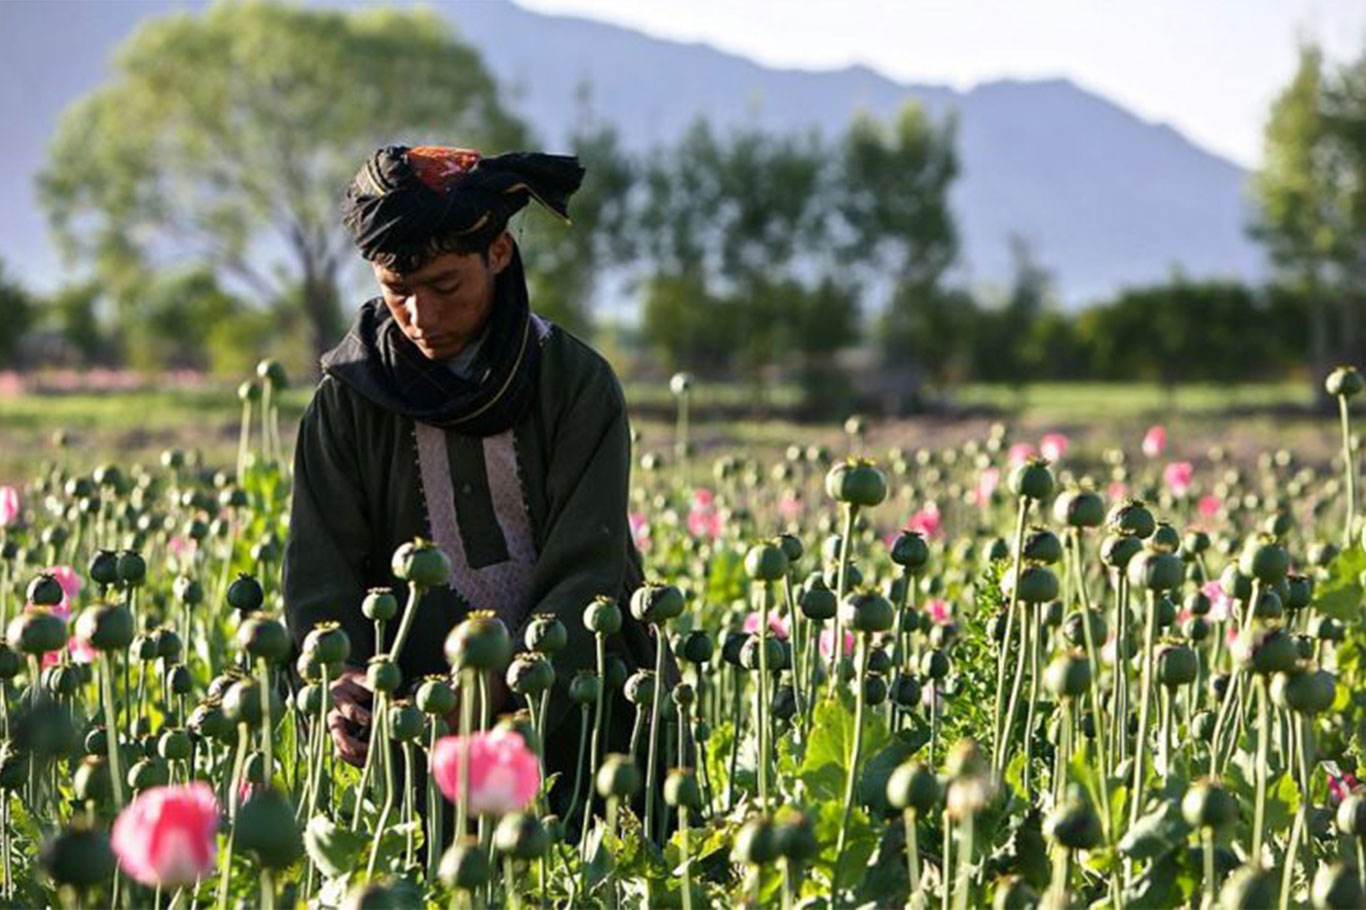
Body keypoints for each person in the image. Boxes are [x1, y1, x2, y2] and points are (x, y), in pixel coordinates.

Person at [281, 144, 659, 807]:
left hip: (584, 734)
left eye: (445, 286)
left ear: (500, 254)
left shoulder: (575, 384)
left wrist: (491, 692)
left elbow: (587, 572)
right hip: (411, 760)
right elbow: (321, 578)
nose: (421, 317)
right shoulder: (346, 401)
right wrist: (338, 683)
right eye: (396, 291)